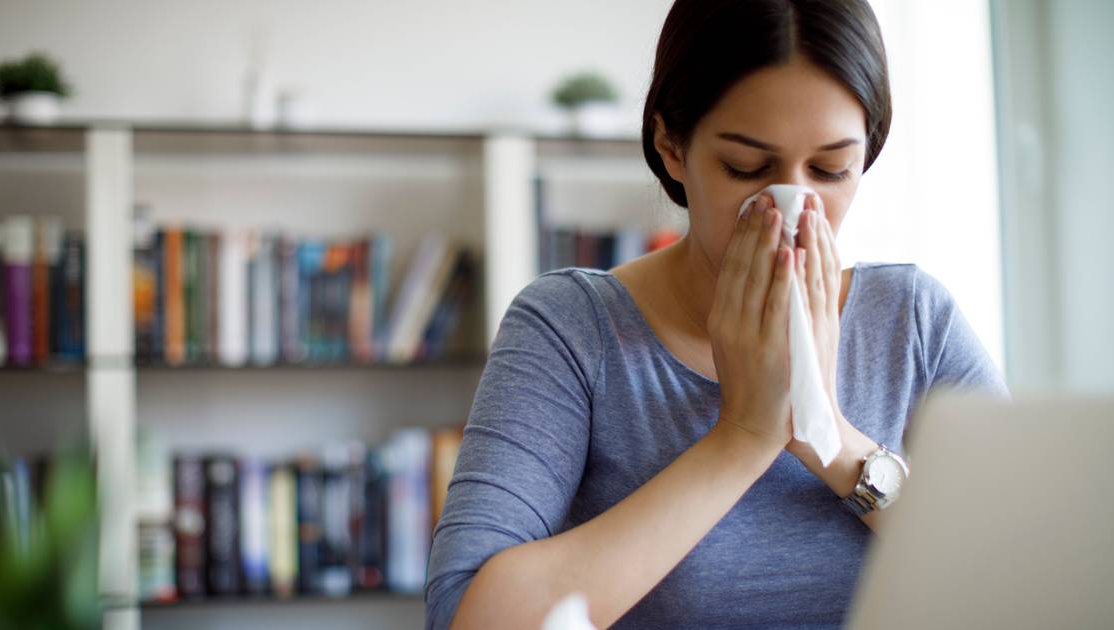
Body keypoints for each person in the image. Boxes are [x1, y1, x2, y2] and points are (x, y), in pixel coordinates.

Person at [425, 0, 1008, 628]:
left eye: (831, 169)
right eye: (746, 168)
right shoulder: (573, 329)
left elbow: (1032, 568)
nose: (792, 208)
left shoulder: (913, 321)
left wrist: (831, 439)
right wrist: (744, 437)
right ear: (672, 147)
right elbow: (464, 617)